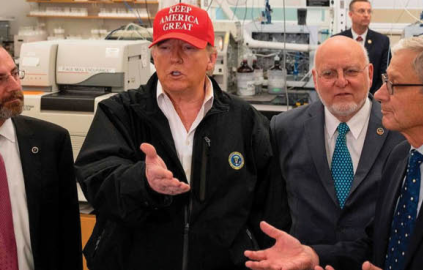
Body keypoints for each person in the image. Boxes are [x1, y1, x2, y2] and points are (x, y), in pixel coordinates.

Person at [74, 3, 290, 270]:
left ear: (211, 57)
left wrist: (253, 254)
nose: (174, 57)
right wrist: (142, 181)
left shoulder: (245, 121)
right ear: (152, 55)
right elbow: (96, 180)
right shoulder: (119, 113)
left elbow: (270, 206)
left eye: (188, 47)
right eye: (164, 47)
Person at [244, 35, 423, 270]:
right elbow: (377, 242)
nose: (379, 94)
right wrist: (314, 255)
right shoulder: (403, 158)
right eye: (385, 81)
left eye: (393, 85)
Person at [270, 36, 403, 253]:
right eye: (329, 74)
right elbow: (274, 211)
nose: (341, 82)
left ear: (369, 74)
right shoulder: (284, 129)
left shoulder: (400, 131)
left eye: (351, 71)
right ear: (315, 78)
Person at [0, 46, 82, 270]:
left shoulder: (51, 142)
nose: (15, 87)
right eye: (0, 79)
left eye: (15, 74)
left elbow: (68, 238)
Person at [336, 0, 391, 94]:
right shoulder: (337, 40)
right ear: (350, 14)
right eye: (362, 11)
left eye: (369, 11)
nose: (366, 15)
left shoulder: (382, 41)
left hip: (374, 96)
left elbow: (385, 74)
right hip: (344, 93)